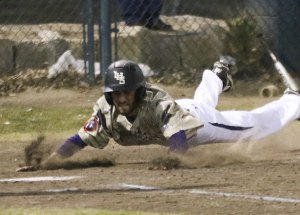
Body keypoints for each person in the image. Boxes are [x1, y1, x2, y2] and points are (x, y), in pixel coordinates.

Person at [16, 59, 300, 171]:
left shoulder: (158, 102)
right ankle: (216, 76)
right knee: (202, 102)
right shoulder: (106, 110)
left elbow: (178, 139)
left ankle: (292, 102)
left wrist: (172, 161)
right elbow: (78, 140)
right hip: (184, 109)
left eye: (128, 91)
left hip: (197, 124)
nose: (123, 97)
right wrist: (48, 163)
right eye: (117, 92)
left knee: (251, 125)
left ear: (139, 91)